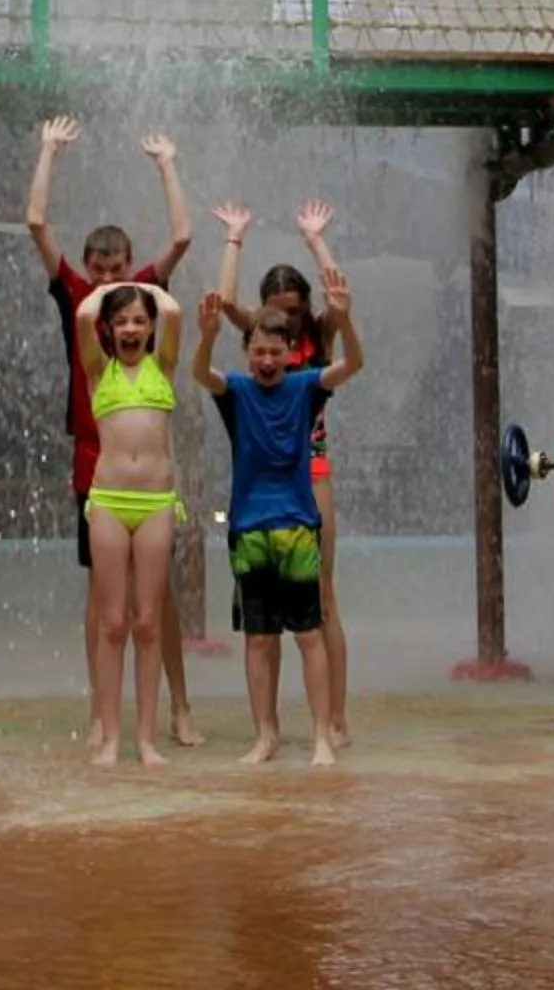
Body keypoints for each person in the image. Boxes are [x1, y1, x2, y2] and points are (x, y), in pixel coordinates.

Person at [25, 114, 201, 749]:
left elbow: (183, 235)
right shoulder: (78, 298)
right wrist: (48, 151)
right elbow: (38, 225)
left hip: (148, 464)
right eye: (98, 269)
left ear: (130, 267)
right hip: (92, 459)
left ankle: (178, 706)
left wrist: (166, 164)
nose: (106, 280)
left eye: (116, 268)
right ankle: (103, 714)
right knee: (102, 593)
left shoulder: (141, 301)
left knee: (157, 596)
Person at [196, 274, 361, 766]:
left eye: (275, 352)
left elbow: (354, 364)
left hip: (296, 527)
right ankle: (265, 735)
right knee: (258, 638)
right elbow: (202, 375)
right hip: (250, 530)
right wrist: (206, 337)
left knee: (308, 634)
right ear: (247, 353)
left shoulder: (306, 387)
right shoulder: (238, 392)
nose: (266, 361)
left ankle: (320, 736)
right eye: (258, 352)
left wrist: (345, 319)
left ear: (292, 352)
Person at [70, 281, 184, 766]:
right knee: (112, 623)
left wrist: (144, 289)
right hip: (110, 502)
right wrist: (114, 287)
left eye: (139, 319)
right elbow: (81, 317)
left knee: (148, 622)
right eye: (121, 321)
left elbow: (176, 309)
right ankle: (112, 737)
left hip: (156, 502)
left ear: (151, 327)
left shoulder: (163, 367)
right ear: (110, 330)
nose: (131, 328)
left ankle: (147, 740)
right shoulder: (100, 372)